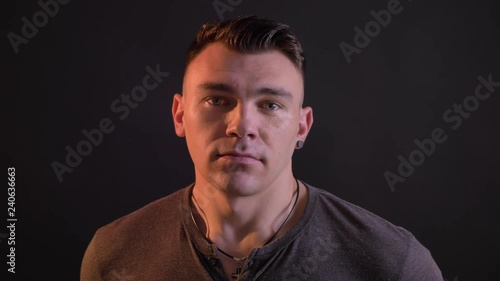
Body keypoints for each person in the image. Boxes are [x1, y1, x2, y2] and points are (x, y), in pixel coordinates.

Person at [80, 15, 443, 281]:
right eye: (217, 100)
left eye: (270, 105)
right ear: (179, 115)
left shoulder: (394, 264)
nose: (241, 126)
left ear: (302, 126)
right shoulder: (113, 255)